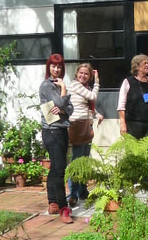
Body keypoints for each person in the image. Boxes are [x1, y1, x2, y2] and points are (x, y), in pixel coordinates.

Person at [39, 53, 74, 220]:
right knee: (60, 170)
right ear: (49, 67)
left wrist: (62, 108)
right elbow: (61, 104)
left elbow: (70, 109)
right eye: (53, 66)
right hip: (52, 131)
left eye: (59, 66)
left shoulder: (59, 84)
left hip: (61, 130)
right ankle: (63, 208)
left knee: (55, 168)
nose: (56, 69)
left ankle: (52, 202)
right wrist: (64, 91)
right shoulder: (46, 86)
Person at [66, 62, 103, 207]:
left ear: (89, 77)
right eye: (81, 72)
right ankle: (73, 194)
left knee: (84, 161)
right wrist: (98, 81)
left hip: (86, 126)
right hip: (77, 126)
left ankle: (82, 191)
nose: (83, 75)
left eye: (86, 74)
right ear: (76, 74)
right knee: (76, 162)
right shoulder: (75, 85)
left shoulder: (85, 87)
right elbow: (93, 96)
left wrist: (97, 114)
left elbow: (87, 108)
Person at [117, 54, 148, 139]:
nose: (147, 65)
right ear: (137, 66)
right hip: (133, 125)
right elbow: (121, 106)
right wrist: (122, 123)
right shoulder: (128, 82)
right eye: (144, 63)